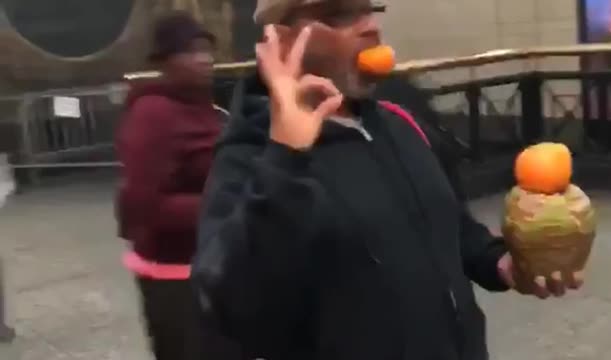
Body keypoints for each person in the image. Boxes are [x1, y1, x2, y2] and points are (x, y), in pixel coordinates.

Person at [192, 1, 584, 359]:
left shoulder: (400, 122)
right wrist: (285, 158)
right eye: (339, 16)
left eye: (368, 11)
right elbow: (235, 304)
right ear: (280, 39)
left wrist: (499, 262)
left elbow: (451, 224)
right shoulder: (253, 154)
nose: (370, 29)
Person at [115, 11, 231, 360]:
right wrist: (226, 203)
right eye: (192, 51)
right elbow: (145, 204)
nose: (205, 59)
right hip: (176, 277)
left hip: (211, 265)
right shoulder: (154, 113)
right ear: (165, 61)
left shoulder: (204, 107)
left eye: (207, 50)